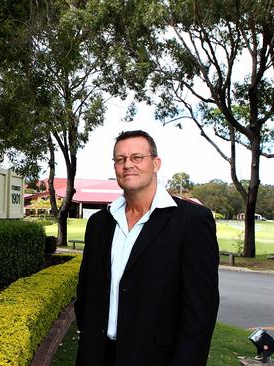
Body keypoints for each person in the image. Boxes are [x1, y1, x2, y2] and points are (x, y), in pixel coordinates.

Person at [75, 130, 219, 365]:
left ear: (156, 163)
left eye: (136, 157)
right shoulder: (100, 223)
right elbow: (86, 292)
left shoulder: (192, 221)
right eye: (120, 159)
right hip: (96, 356)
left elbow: (200, 311)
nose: (127, 165)